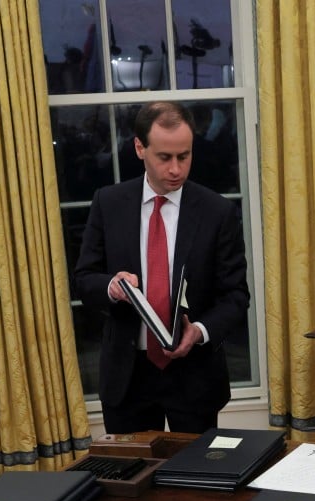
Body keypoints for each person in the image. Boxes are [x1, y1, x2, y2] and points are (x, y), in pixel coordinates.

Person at [74, 101, 249, 434]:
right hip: (128, 375)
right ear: (140, 148)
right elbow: (84, 280)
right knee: (132, 478)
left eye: (184, 156)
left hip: (194, 375)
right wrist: (112, 286)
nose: (176, 169)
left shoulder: (217, 212)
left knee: (196, 480)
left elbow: (236, 296)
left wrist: (199, 330)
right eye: (165, 157)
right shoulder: (108, 203)